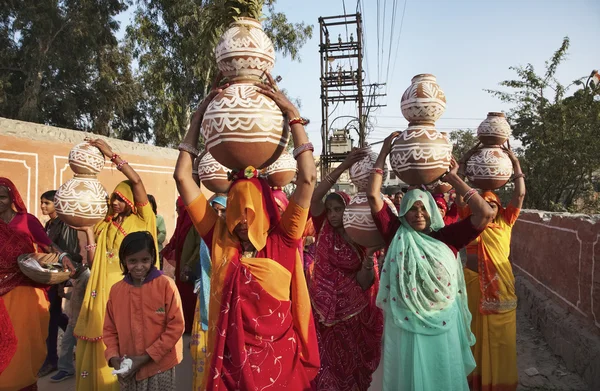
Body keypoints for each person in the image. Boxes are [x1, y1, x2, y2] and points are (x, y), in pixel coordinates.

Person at [173, 73, 320, 390]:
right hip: (231, 370)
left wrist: (293, 116)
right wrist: (198, 118)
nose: (240, 221)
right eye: (236, 212)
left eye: (248, 214)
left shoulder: (283, 238)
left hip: (280, 367)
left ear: (265, 213)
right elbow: (183, 178)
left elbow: (308, 179)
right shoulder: (218, 237)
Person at [366, 133, 496, 391]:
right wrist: (383, 154)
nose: (418, 214)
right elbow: (372, 196)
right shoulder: (396, 232)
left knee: (440, 376)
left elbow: (485, 214)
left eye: (423, 208)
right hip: (405, 325)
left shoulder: (446, 236)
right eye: (412, 209)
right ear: (404, 212)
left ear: (433, 211)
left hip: (442, 324)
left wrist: (452, 178)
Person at [73, 139, 158, 391]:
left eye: (121, 198)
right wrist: (87, 231)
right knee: (103, 338)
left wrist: (112, 156)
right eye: (113, 199)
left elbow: (137, 182)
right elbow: (92, 260)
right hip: (101, 291)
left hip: (132, 288)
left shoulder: (143, 219)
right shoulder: (105, 226)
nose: (115, 203)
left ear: (131, 200)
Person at [308, 148, 384, 391]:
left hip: (356, 314)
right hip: (326, 314)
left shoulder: (359, 233)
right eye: (329, 210)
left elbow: (364, 282)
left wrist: (369, 257)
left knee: (355, 366)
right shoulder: (322, 227)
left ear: (348, 209)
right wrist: (341, 168)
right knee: (328, 366)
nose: (331, 215)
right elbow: (314, 198)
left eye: (337, 209)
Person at [457, 145, 526, 391]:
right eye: (483, 204)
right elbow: (459, 196)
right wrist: (463, 162)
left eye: (492, 204)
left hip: (501, 289)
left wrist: (515, 163)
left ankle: (501, 384)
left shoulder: (506, 221)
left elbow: (518, 196)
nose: (488, 208)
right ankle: (476, 382)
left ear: (499, 207)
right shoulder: (471, 223)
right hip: (473, 283)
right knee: (473, 334)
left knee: (501, 340)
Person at [104, 231, 184, 390]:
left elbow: (176, 327)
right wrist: (113, 357)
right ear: (124, 261)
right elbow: (109, 329)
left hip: (160, 366)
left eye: (145, 260)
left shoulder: (166, 285)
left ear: (152, 259)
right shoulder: (116, 290)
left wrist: (147, 356)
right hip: (128, 367)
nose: (139, 266)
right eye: (132, 261)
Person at [0, 177, 57, 390]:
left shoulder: (27, 221)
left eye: (3, 197)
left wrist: (64, 260)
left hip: (26, 290)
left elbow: (51, 249)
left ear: (12, 197)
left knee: (25, 346)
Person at [38, 190, 77, 377]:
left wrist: (63, 278)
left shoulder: (65, 225)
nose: (43, 206)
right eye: (42, 202)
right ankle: (78, 342)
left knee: (51, 319)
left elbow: (67, 252)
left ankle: (52, 360)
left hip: (58, 276)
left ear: (57, 204)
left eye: (47, 203)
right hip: (49, 275)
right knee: (55, 316)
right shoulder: (49, 224)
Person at [189, 195, 226, 391]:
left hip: (226, 301)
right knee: (200, 352)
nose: (219, 215)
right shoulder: (206, 238)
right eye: (215, 211)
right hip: (204, 298)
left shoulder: (234, 238)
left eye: (223, 210)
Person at [51, 226, 94, 383]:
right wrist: (64, 295)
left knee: (83, 348)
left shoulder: (88, 277)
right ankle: (66, 369)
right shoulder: (76, 277)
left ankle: (88, 370)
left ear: (77, 265)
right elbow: (75, 296)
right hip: (72, 320)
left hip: (83, 320)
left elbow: (88, 299)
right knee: (66, 344)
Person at [161, 196, 197, 333]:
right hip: (182, 262)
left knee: (190, 295)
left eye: (178, 207)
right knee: (181, 294)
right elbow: (175, 240)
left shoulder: (194, 221)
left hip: (190, 265)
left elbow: (199, 246)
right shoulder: (181, 220)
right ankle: (184, 324)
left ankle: (192, 326)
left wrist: (189, 264)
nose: (176, 209)